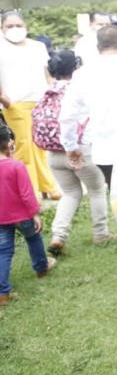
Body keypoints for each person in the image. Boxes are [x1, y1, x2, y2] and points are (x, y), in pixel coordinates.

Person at [59, 27, 117, 262]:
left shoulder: (83, 74)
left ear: (98, 48)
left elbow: (67, 115)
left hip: (105, 150)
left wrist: (70, 146)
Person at [44, 50, 110, 256]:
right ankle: (101, 234)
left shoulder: (48, 91)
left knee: (71, 193)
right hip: (79, 150)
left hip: (53, 153)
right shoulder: (81, 88)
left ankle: (58, 235)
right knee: (97, 190)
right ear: (77, 67)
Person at [0, 11, 59, 199]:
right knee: (23, 148)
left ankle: (47, 186)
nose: (15, 29)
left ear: (25, 27)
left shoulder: (38, 46)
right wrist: (6, 101)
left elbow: (46, 74)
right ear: (2, 28)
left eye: (18, 25)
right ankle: (29, 190)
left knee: (40, 146)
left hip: (40, 102)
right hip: (15, 104)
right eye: (9, 26)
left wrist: (52, 96)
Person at [0, 124, 56, 306]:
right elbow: (27, 194)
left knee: (4, 251)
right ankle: (41, 268)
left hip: (1, 218)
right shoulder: (16, 166)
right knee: (33, 239)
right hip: (23, 216)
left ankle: (3, 294)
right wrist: (35, 214)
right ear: (9, 143)